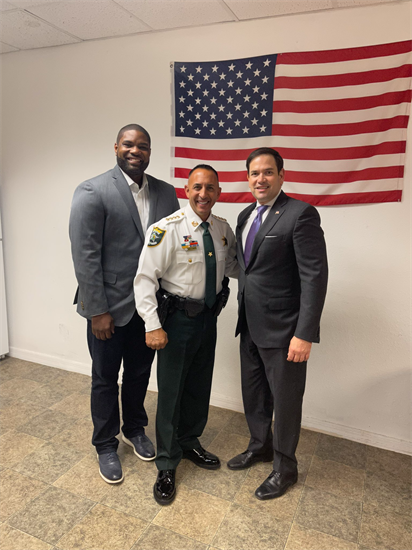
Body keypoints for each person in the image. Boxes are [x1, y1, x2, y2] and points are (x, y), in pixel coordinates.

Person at [69, 124, 179, 484]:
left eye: (142, 146)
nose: (135, 151)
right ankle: (105, 443)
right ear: (116, 147)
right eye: (128, 144)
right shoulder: (92, 190)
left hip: (149, 309)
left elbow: (174, 248)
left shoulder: (166, 193)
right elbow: (85, 255)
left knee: (138, 373)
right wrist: (97, 310)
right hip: (108, 309)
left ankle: (134, 429)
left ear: (150, 152)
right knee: (104, 378)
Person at [227, 147, 328, 500]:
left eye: (268, 172)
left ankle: (285, 468)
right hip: (249, 325)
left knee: (285, 402)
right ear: (247, 178)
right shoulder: (245, 215)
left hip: (286, 331)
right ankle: (260, 446)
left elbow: (314, 277)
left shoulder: (300, 214)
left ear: (282, 175)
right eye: (255, 173)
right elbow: (247, 269)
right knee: (254, 394)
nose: (261, 179)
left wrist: (305, 333)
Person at [135, 164, 238, 505]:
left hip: (208, 319)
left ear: (218, 192)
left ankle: (189, 441)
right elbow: (144, 279)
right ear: (186, 190)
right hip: (176, 322)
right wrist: (152, 325)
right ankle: (167, 462)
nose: (203, 194)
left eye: (210, 188)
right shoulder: (167, 229)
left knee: (198, 385)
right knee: (171, 392)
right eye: (197, 187)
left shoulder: (222, 228)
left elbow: (233, 266)